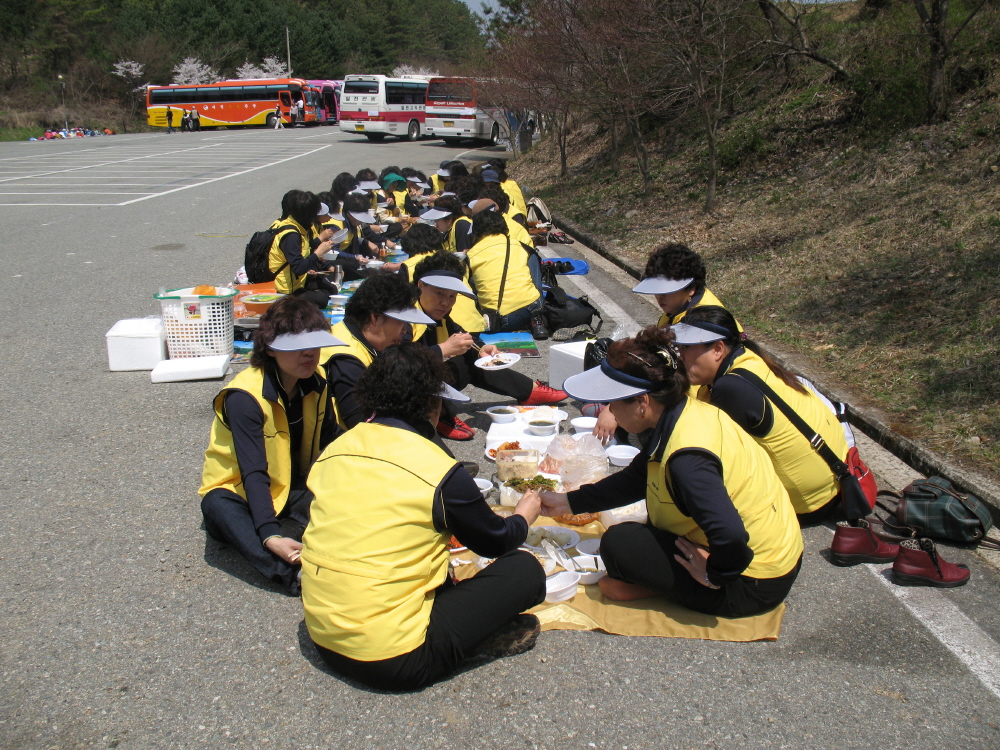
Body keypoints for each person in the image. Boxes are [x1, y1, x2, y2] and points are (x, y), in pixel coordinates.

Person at [301, 344, 546, 691]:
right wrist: (523, 516)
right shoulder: (438, 469)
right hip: (396, 660)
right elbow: (496, 542)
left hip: (324, 638)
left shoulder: (337, 450)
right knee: (525, 571)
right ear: (432, 404)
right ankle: (468, 646)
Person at [540, 326, 803, 618]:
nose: (610, 410)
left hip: (751, 582)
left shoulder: (687, 459)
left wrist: (715, 574)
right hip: (778, 554)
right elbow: (637, 478)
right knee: (639, 532)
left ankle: (676, 588)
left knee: (618, 544)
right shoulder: (683, 409)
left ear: (642, 403)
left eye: (612, 403)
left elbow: (730, 536)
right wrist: (569, 502)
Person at [199, 297, 345, 596]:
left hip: (289, 489)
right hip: (243, 495)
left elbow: (334, 439)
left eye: (315, 344)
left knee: (348, 492)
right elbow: (253, 472)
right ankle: (293, 573)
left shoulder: (316, 381)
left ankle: (293, 532)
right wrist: (268, 535)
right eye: (296, 346)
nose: (309, 353)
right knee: (217, 506)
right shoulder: (244, 396)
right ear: (269, 347)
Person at [674, 306, 849, 522]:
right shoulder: (748, 357)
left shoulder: (731, 388)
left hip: (811, 501)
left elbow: (711, 452)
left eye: (686, 347)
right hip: (835, 478)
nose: (680, 356)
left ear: (718, 349)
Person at [410, 253, 567, 439]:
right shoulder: (403, 317)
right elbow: (395, 367)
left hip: (426, 381)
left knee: (472, 355)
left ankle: (528, 390)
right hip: (403, 391)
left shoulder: (436, 313)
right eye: (440, 293)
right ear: (420, 285)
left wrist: (481, 348)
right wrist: (442, 350)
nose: (446, 302)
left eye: (452, 296)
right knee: (458, 360)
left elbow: (461, 334)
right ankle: (437, 414)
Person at [322, 271, 435, 430]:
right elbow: (361, 424)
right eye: (401, 322)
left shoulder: (352, 334)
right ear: (374, 318)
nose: (404, 331)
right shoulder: (346, 359)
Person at [466, 209, 545, 335]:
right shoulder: (521, 246)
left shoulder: (470, 255)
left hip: (495, 320)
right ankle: (537, 316)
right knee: (533, 256)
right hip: (529, 308)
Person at [631, 243, 733, 328]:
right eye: (657, 290)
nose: (659, 296)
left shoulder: (704, 322)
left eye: (666, 291)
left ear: (691, 289)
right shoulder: (677, 309)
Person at [266, 190, 339, 307]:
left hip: (297, 281)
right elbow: (298, 268)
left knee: (331, 289)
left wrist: (310, 269)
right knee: (322, 298)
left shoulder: (299, 228)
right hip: (285, 290)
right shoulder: (291, 235)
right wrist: (319, 252)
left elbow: (302, 256)